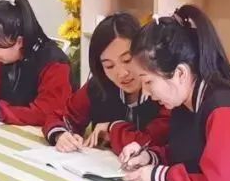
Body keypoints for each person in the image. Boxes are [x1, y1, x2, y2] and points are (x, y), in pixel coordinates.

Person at [118, 5, 230, 181]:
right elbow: (188, 155)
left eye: (148, 81)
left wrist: (159, 177)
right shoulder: (185, 101)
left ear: (180, 73)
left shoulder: (225, 112)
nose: (145, 92)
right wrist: (150, 157)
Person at [42, 12, 170, 153]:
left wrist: (112, 128)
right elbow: (62, 117)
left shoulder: (163, 94)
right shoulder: (99, 86)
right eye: (109, 66)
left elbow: (149, 142)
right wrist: (61, 135)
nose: (122, 73)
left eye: (127, 60)